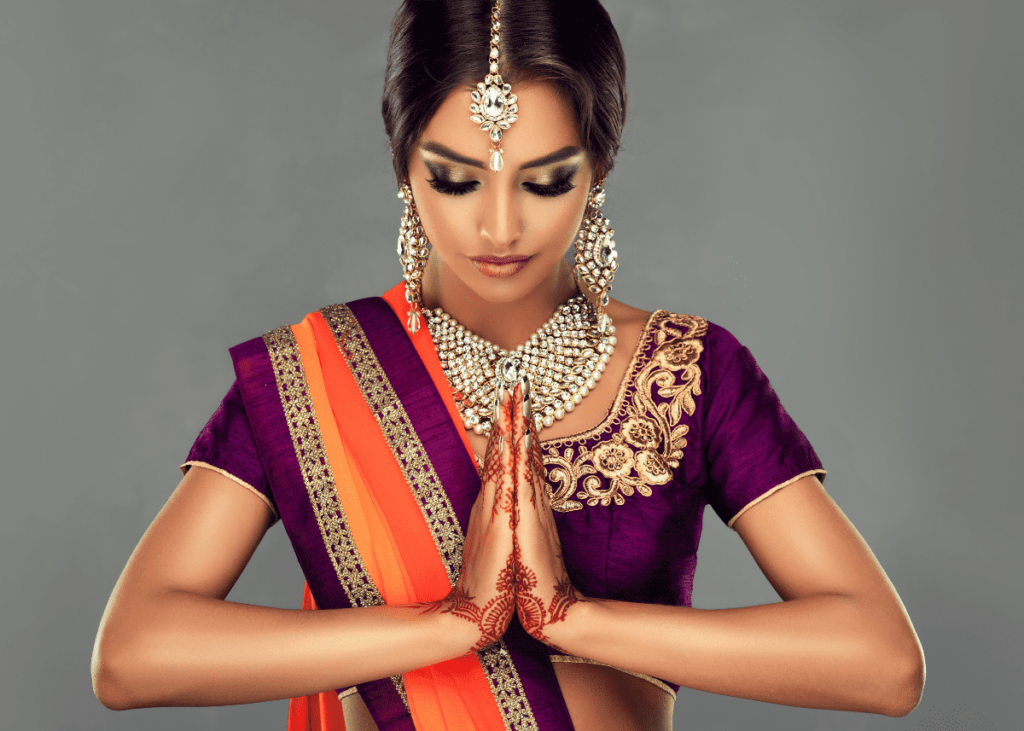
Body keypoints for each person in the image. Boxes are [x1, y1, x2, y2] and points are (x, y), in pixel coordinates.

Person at [90, 1, 925, 729]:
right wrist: (451, 623)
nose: (498, 227)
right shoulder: (317, 376)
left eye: (545, 181)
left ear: (597, 169)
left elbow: (882, 663)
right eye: (454, 180)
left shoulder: (690, 370)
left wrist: (574, 619)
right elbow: (132, 657)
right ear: (403, 165)